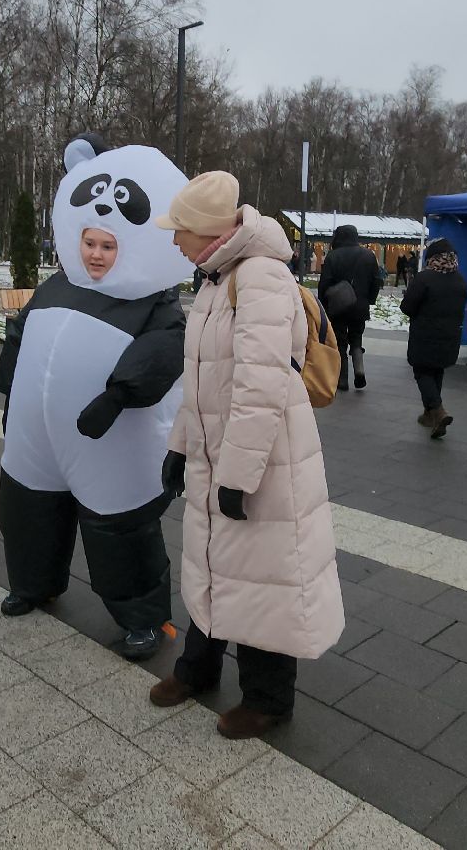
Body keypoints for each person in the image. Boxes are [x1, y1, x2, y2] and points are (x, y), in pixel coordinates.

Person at [150, 171, 343, 739]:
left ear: (207, 233)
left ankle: (268, 700)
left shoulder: (258, 279)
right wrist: (181, 448)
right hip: (220, 457)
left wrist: (237, 476)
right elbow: (202, 383)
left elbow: (260, 392)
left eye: (178, 230)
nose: (172, 240)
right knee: (214, 565)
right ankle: (198, 669)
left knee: (265, 581)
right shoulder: (218, 279)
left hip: (261, 464)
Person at [0, 138, 189, 661]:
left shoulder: (153, 299)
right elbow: (23, 330)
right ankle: (34, 584)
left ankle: (144, 618)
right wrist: (8, 373)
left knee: (120, 531)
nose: (96, 255)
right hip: (37, 436)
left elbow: (165, 352)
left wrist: (119, 395)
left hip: (111, 439)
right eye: (90, 244)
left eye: (108, 246)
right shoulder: (58, 285)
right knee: (26, 513)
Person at [402, 238, 467, 437]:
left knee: (422, 372)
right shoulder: (461, 280)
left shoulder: (425, 278)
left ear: (432, 257)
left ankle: (438, 411)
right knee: (436, 371)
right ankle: (429, 414)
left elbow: (407, 307)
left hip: (425, 334)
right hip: (450, 336)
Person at [317, 223, 381, 391]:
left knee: (340, 342)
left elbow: (324, 283)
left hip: (338, 306)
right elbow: (376, 281)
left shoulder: (333, 256)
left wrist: (324, 303)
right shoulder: (369, 255)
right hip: (360, 306)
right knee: (356, 338)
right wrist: (370, 300)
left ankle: (342, 379)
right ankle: (359, 371)